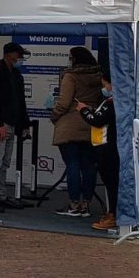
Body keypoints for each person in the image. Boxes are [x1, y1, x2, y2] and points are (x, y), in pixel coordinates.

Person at [51, 46, 104, 217]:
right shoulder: (98, 75)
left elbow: (64, 102)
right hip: (91, 123)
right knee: (89, 166)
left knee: (72, 164)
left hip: (70, 125)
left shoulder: (71, 76)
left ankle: (73, 204)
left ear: (75, 59)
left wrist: (54, 116)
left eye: (70, 57)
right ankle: (85, 204)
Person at [78, 70, 119, 230]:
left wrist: (83, 110)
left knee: (111, 183)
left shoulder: (111, 103)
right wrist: (91, 110)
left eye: (104, 84)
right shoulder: (112, 102)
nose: (104, 88)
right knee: (111, 183)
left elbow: (97, 120)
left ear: (111, 85)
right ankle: (112, 213)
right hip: (104, 146)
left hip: (107, 148)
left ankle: (113, 215)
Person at [0, 41, 30, 206]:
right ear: (9, 55)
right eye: (18, 55)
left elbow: (20, 101)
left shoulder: (16, 74)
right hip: (2, 124)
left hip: (12, 122)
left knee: (5, 162)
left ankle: (0, 195)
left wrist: (24, 124)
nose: (20, 58)